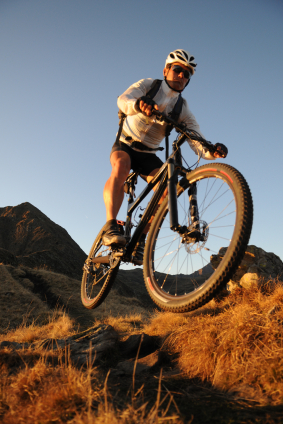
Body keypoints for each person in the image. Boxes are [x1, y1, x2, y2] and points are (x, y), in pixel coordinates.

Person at [102, 49, 228, 264]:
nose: (181, 76)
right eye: (178, 70)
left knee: (166, 194)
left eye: (187, 74)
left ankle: (140, 241)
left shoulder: (182, 108)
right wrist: (138, 104)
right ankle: (111, 225)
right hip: (125, 144)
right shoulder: (148, 85)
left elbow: (196, 138)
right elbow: (123, 99)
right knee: (121, 165)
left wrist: (210, 150)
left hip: (148, 154)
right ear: (166, 70)